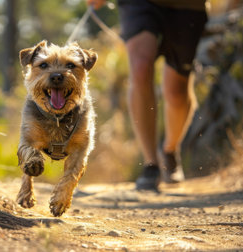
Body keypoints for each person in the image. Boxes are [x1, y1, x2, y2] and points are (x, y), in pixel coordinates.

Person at [86, 0, 208, 191]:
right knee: (141, 69)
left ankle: (170, 150)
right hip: (139, 4)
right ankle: (151, 164)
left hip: (188, 5)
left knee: (177, 90)